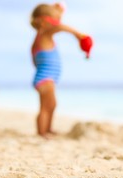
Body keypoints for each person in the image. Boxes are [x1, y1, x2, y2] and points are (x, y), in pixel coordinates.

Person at [30, 2, 86, 138]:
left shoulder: (38, 40)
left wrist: (57, 11)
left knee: (52, 105)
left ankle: (47, 129)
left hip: (44, 78)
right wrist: (78, 35)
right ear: (43, 21)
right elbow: (59, 27)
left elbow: (35, 60)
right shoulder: (45, 34)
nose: (56, 22)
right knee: (45, 107)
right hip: (45, 79)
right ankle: (42, 132)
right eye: (53, 20)